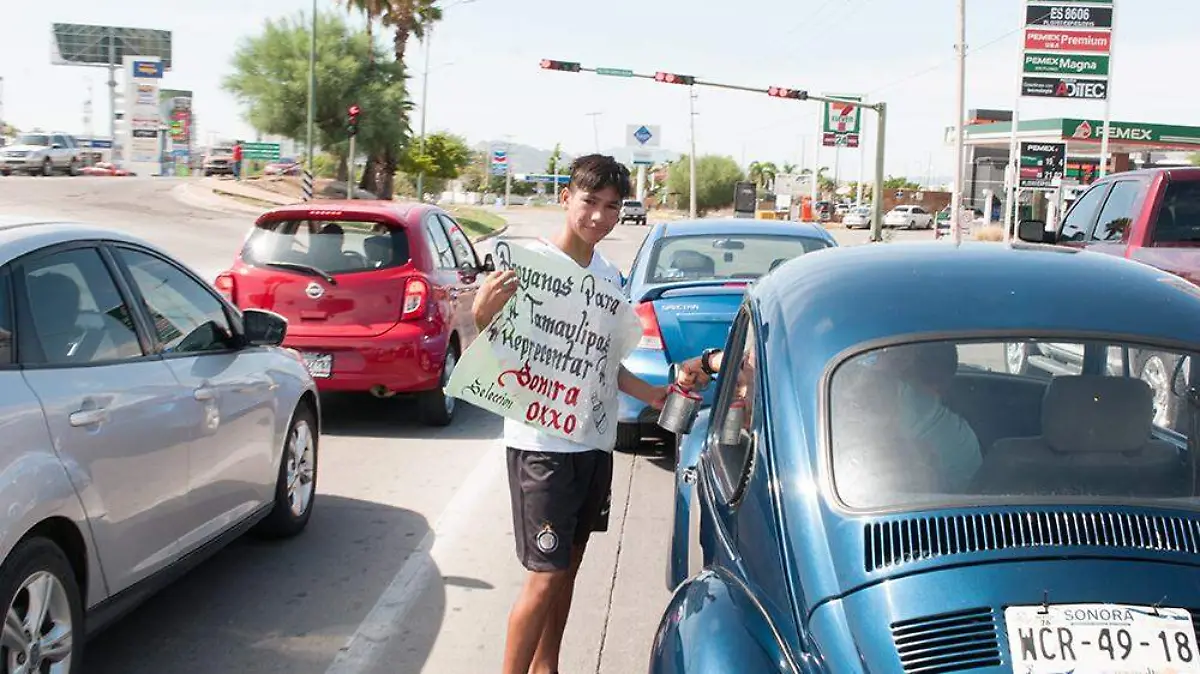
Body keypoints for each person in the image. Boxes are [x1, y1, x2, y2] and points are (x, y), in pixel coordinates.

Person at [471, 154, 668, 674]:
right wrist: (482, 316)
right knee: (543, 575)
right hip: (543, 447)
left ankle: (547, 667)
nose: (600, 216)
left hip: (591, 443)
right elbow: (496, 352)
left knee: (569, 569)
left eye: (612, 207)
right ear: (567, 198)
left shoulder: (608, 277)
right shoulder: (529, 267)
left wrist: (653, 397)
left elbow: (605, 365)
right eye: (590, 202)